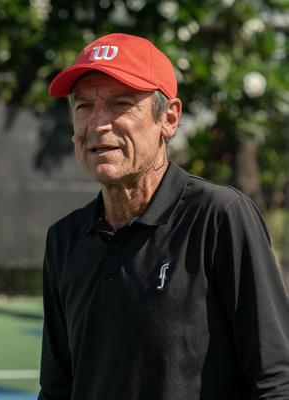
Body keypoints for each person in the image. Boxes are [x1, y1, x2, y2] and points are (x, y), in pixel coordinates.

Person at [39, 33, 289, 399]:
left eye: (121, 103)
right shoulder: (64, 238)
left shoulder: (219, 217)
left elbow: (276, 379)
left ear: (169, 118)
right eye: (83, 106)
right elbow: (56, 387)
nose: (98, 123)